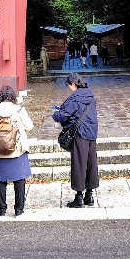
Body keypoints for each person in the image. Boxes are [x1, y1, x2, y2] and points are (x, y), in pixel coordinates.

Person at [0, 86, 34, 217]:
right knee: (19, 180)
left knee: (0, 180)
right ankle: (19, 209)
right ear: (13, 96)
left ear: (1, 96)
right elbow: (29, 126)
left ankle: (1, 209)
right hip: (16, 149)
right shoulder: (19, 110)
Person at [53, 76, 98, 208]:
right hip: (92, 132)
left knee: (79, 163)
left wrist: (55, 113)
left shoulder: (74, 98)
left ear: (73, 84)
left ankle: (79, 197)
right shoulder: (90, 96)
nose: (69, 88)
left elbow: (62, 115)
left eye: (69, 85)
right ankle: (89, 195)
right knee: (91, 163)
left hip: (79, 133)